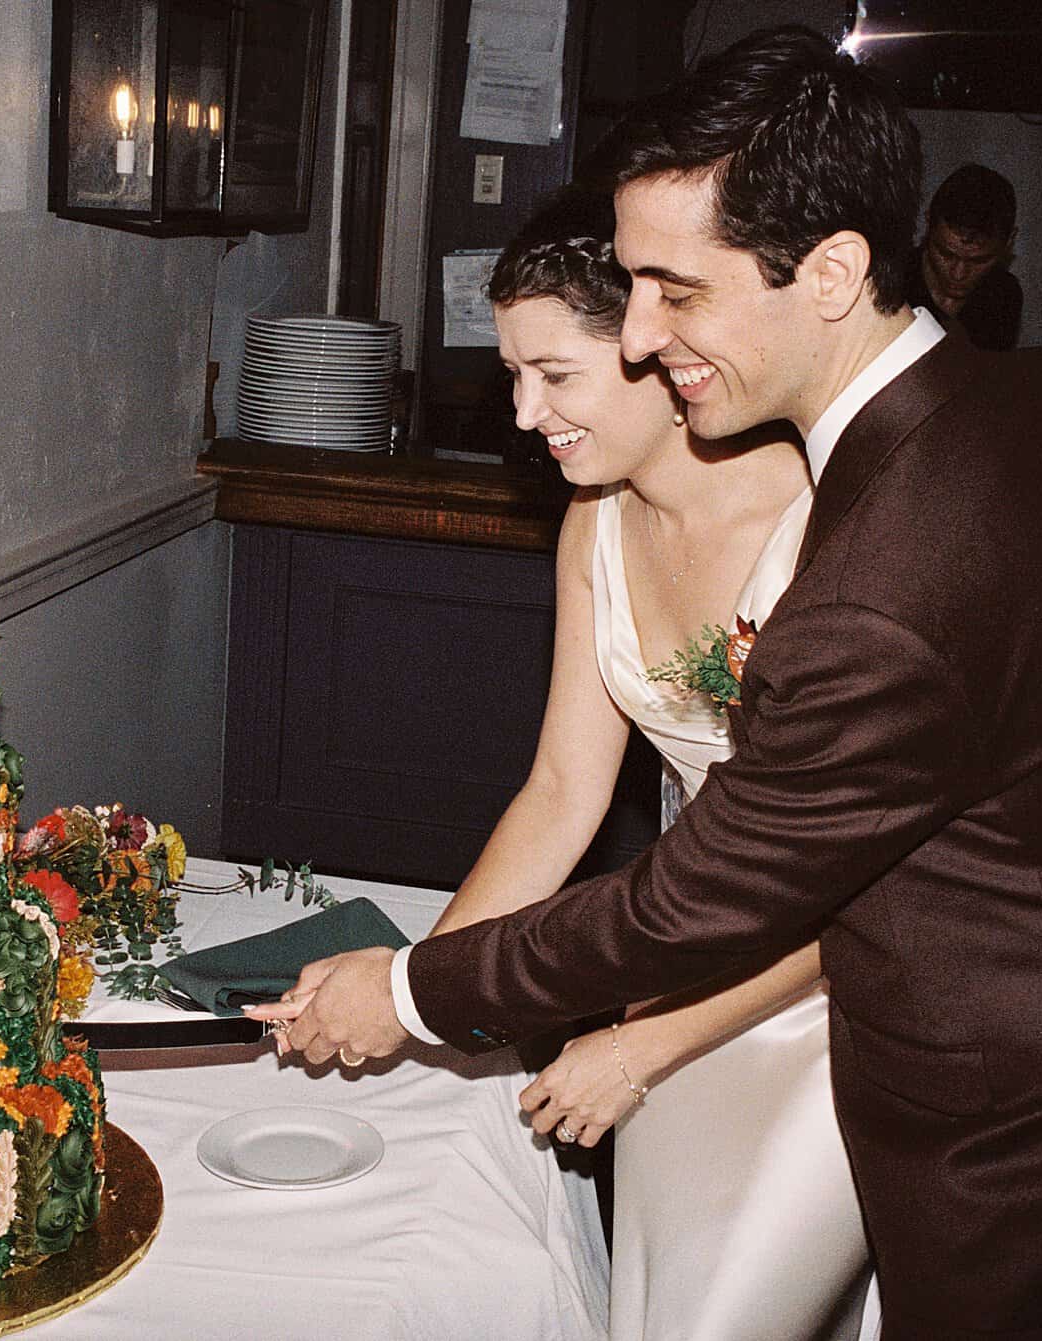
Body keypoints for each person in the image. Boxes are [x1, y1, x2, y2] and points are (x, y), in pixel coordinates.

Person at [252, 26, 1042, 1340]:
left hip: (1021, 1164)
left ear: (835, 272)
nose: (639, 333)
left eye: (677, 290)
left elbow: (693, 904)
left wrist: (403, 992)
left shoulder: (871, 587)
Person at [426, 186, 869, 1340]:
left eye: (553, 376)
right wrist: (428, 994)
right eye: (511, 376)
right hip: (676, 963)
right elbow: (562, 793)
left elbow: (870, 871)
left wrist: (642, 1045)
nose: (523, 415)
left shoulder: (836, 527)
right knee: (658, 1305)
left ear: (650, 352)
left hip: (839, 997)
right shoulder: (595, 526)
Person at [909, 163, 1022, 351]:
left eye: (979, 261)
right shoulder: (891, 281)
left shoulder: (1003, 296)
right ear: (929, 225)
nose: (958, 274)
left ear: (1009, 241)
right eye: (945, 254)